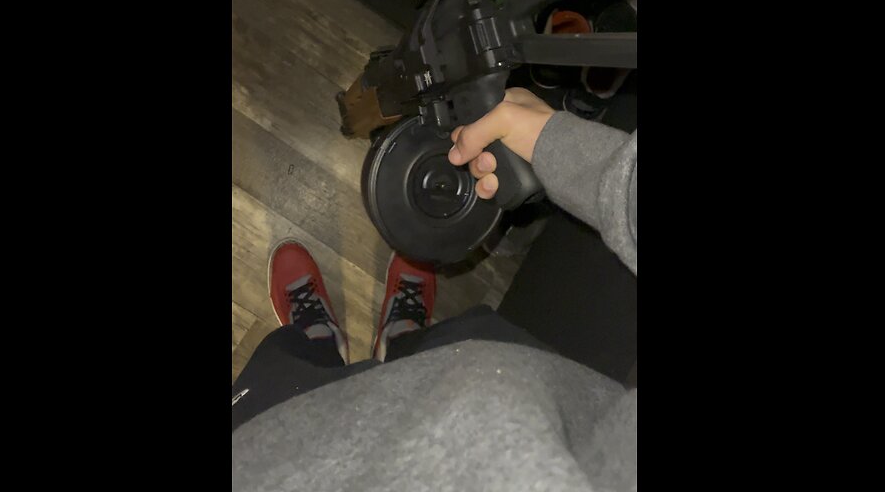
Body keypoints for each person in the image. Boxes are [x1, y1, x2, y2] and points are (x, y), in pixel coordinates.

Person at [232, 88, 637, 491]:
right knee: (445, 356)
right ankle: (402, 339)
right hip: (512, 396)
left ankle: (316, 342)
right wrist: (556, 144)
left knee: (285, 388)